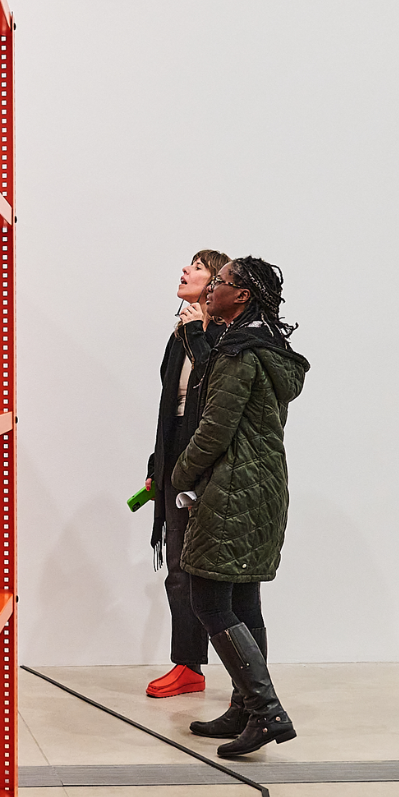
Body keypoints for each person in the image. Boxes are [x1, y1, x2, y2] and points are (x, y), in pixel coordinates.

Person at [170, 256, 309, 758]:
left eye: (221, 283)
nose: (212, 290)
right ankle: (244, 709)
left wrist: (178, 474)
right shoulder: (267, 349)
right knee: (243, 602)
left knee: (208, 600)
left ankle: (267, 712)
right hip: (263, 486)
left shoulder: (236, 353)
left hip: (230, 489)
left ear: (242, 296)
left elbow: (214, 430)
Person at [143, 249, 230, 699]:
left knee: (215, 572)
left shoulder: (222, 336)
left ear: (217, 283)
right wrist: (157, 466)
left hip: (210, 459)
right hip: (177, 450)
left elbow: (213, 390)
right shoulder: (180, 334)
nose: (185, 271)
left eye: (197, 268)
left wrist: (197, 330)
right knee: (177, 567)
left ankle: (243, 673)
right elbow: (168, 407)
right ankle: (188, 666)